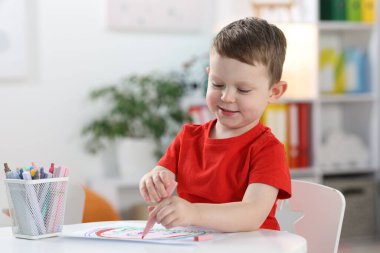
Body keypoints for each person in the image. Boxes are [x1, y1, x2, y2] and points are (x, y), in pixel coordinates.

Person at [139, 17, 291, 232]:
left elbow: (252, 214)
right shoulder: (188, 137)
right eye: (217, 84)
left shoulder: (268, 150)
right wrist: (152, 180)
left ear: (274, 92)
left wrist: (193, 212)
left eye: (243, 90)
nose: (227, 97)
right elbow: (160, 174)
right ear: (208, 76)